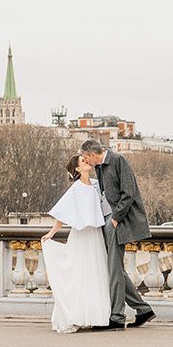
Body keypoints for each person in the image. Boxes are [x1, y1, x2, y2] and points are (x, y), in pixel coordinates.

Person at [79, 139, 155, 330]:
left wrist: (116, 217)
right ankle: (143, 309)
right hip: (109, 220)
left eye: (86, 157)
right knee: (115, 269)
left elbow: (129, 192)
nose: (86, 161)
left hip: (117, 221)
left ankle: (117, 317)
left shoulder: (118, 160)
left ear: (92, 154)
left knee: (113, 269)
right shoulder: (101, 166)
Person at [40, 154, 111, 333]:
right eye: (83, 161)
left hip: (95, 234)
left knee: (97, 273)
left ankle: (97, 316)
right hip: (82, 235)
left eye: (86, 159)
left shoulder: (96, 184)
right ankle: (78, 314)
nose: (87, 161)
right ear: (78, 169)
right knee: (81, 274)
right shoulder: (75, 189)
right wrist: (51, 233)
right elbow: (62, 215)